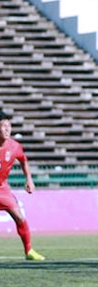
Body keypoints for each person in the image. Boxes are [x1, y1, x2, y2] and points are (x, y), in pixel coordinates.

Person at [0, 110, 45, 261]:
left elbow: (23, 160)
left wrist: (29, 179)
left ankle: (29, 251)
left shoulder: (14, 146)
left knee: (19, 217)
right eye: (3, 126)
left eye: (9, 126)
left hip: (2, 188)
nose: (7, 129)